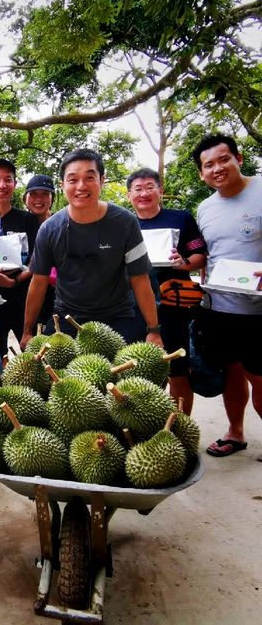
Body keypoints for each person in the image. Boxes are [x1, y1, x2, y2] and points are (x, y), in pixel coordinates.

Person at [22, 148, 163, 349]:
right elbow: (38, 282)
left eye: (89, 177)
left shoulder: (125, 223)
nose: (81, 186)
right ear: (62, 185)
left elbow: (140, 279)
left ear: (102, 180)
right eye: (72, 180)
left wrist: (153, 330)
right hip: (68, 318)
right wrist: (27, 331)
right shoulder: (49, 229)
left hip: (118, 317)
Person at [192, 134, 262, 457]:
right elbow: (207, 255)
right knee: (231, 371)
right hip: (219, 307)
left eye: (224, 159)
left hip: (258, 311)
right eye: (209, 165)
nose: (217, 168)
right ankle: (235, 432)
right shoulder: (205, 208)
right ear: (202, 173)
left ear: (239, 159)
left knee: (259, 377)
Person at [127, 168, 207, 413]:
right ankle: (148, 428)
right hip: (133, 307)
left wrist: (185, 263)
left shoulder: (180, 218)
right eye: (137, 189)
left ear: (160, 190)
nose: (144, 193)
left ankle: (180, 430)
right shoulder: (123, 223)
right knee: (137, 370)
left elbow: (200, 255)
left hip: (174, 304)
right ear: (129, 195)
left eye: (150, 187)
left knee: (178, 370)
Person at [0, 158, 40, 355]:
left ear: (14, 184)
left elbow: (37, 258)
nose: (2, 185)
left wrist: (15, 282)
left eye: (8, 180)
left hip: (22, 301)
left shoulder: (29, 220)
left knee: (33, 356)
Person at [24, 174, 58, 322]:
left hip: (56, 296)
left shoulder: (61, 223)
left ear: (52, 198)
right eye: (33, 194)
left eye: (45, 194)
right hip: (24, 295)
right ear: (25, 198)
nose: (39, 199)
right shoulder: (19, 223)